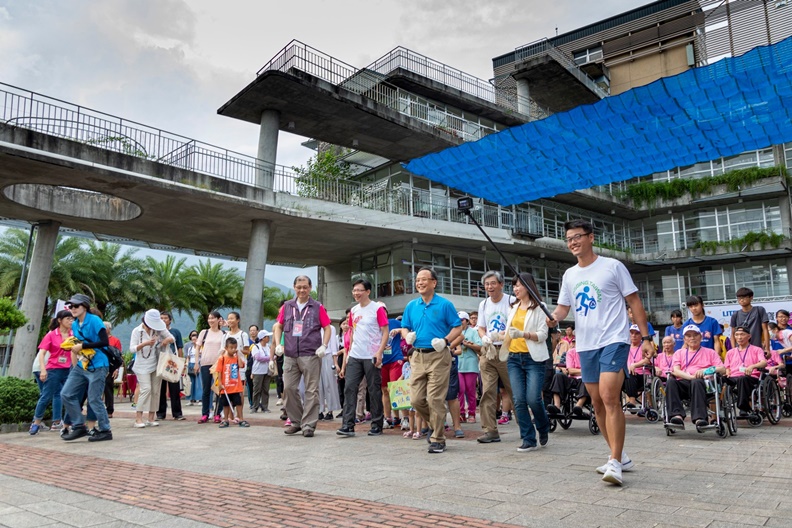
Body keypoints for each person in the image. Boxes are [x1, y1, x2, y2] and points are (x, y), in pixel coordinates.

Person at [548, 219, 653, 486]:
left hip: (614, 339)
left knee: (609, 397)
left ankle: (615, 462)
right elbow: (563, 309)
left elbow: (634, 301)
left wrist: (647, 336)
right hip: (585, 344)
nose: (573, 242)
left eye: (577, 237)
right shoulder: (570, 274)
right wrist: (552, 318)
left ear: (591, 238)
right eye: (569, 239)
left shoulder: (612, 266)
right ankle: (620, 456)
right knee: (596, 402)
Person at [400, 267, 461, 454]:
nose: (420, 283)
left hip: (438, 356)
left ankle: (438, 439)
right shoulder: (411, 305)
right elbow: (404, 327)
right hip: (417, 356)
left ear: (434, 282)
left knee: (435, 398)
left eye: (424, 279)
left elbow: (457, 328)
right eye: (417, 280)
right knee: (416, 399)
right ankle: (436, 425)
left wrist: (445, 341)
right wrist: (407, 335)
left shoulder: (444, 305)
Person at [272, 275, 332, 438]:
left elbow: (327, 328)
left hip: (311, 354)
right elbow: (278, 325)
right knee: (289, 388)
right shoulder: (287, 306)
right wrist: (278, 343)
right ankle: (296, 421)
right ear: (294, 287)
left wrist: (324, 346)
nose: (302, 290)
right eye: (299, 287)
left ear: (310, 288)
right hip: (290, 354)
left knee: (312, 390)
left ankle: (308, 425)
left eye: (305, 287)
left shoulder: (317, 307)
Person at [502, 272, 550, 452]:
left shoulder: (540, 307)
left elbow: (543, 335)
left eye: (519, 285)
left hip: (534, 359)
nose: (515, 289)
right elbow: (509, 332)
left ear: (529, 286)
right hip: (514, 358)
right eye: (514, 285)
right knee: (519, 399)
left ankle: (543, 426)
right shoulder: (513, 307)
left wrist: (523, 334)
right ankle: (528, 438)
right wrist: (495, 337)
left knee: (533, 399)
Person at [337, 279, 388, 437]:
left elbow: (385, 331)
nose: (356, 293)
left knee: (373, 390)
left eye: (359, 290)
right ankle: (348, 425)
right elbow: (352, 331)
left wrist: (379, 352)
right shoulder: (353, 310)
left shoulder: (377, 308)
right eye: (354, 291)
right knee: (349, 388)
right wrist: (348, 352)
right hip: (355, 355)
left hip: (371, 355)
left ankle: (376, 424)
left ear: (368, 291)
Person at [60, 294, 113, 442]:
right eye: (71, 306)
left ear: (85, 306)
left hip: (98, 365)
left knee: (94, 399)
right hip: (83, 364)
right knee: (66, 393)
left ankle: (105, 430)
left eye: (76, 306)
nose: (73, 309)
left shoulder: (95, 320)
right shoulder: (76, 324)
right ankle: (79, 426)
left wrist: (82, 345)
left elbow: (104, 342)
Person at [476, 270, 515, 444]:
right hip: (489, 351)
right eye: (487, 284)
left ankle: (527, 428)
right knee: (488, 392)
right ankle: (490, 430)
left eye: (493, 283)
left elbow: (517, 323)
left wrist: (503, 334)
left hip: (508, 350)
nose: (489, 287)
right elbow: (481, 327)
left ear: (501, 284)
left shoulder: (511, 301)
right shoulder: (483, 304)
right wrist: (484, 336)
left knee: (515, 391)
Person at [666, 325, 725, 428]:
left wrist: (705, 371)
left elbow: (722, 369)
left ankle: (699, 418)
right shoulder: (679, 353)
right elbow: (676, 370)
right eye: (688, 336)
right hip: (685, 382)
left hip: (704, 384)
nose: (692, 338)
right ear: (684, 339)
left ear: (701, 337)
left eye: (695, 335)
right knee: (671, 382)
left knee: (697, 382)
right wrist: (690, 377)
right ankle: (677, 415)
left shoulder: (710, 352)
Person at [29, 310, 73, 435]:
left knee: (69, 395)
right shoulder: (51, 335)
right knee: (46, 396)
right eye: (67, 319)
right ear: (60, 320)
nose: (70, 321)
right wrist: (43, 370)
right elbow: (42, 354)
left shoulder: (73, 335)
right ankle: (36, 423)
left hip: (68, 369)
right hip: (53, 369)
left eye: (72, 319)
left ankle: (68, 424)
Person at [130, 309, 174, 428]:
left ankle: (151, 417)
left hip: (156, 363)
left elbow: (172, 338)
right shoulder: (137, 331)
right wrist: (144, 344)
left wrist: (165, 341)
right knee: (146, 389)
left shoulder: (158, 329)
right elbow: (132, 349)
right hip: (141, 365)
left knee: (155, 391)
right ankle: (138, 417)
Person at [724, 326, 766, 415]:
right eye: (737, 335)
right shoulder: (730, 352)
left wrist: (752, 366)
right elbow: (727, 367)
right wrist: (727, 372)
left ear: (749, 336)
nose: (739, 337)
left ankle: (743, 407)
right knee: (718, 379)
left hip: (750, 377)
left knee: (742, 379)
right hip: (733, 377)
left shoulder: (757, 349)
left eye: (742, 334)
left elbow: (763, 363)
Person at [195, 311, 226, 423]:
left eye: (213, 318)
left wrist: (226, 324)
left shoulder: (224, 333)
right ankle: (205, 413)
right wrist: (197, 362)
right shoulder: (204, 332)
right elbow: (198, 348)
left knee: (219, 389)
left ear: (219, 319)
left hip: (218, 365)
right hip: (205, 363)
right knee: (206, 390)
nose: (210, 320)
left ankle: (218, 413)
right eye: (209, 318)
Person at [547, 338, 590, 416]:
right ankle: (557, 405)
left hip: (584, 379)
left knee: (587, 379)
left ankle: (578, 406)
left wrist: (580, 371)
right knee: (558, 376)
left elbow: (591, 371)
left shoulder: (590, 353)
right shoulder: (571, 352)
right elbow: (570, 371)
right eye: (575, 342)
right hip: (572, 378)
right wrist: (583, 371)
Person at [213, 338, 249, 427]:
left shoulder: (236, 357)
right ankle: (225, 419)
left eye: (235, 348)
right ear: (226, 348)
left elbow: (241, 365)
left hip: (236, 386)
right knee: (225, 404)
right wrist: (220, 383)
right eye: (231, 348)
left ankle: (241, 418)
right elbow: (219, 371)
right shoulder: (222, 358)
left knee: (238, 403)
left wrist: (238, 355)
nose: (233, 350)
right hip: (226, 386)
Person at [157, 312, 185, 421]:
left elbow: (179, 348)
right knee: (160, 389)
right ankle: (160, 413)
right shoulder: (157, 332)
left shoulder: (175, 332)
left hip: (172, 362)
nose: (163, 320)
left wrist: (181, 363)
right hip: (160, 361)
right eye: (161, 318)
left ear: (170, 320)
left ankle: (177, 413)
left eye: (165, 318)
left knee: (174, 388)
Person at [381, 304, 404, 428]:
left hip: (395, 359)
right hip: (382, 361)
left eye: (383, 311)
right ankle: (388, 418)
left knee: (396, 388)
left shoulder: (394, 322)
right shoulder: (373, 326)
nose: (381, 313)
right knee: (385, 390)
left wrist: (399, 330)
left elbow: (408, 330)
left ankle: (403, 417)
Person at [456, 312, 481, 424]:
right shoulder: (455, 331)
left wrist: (468, 344)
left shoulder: (473, 332)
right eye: (458, 320)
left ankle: (471, 413)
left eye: (462, 320)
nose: (460, 322)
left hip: (471, 364)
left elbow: (480, 346)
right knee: (460, 390)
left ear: (466, 320)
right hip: (458, 364)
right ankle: (461, 413)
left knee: (470, 391)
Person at [729, 287, 769, 353]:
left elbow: (765, 330)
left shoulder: (759, 310)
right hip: (741, 350)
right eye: (739, 298)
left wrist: (767, 349)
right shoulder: (735, 314)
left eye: (744, 297)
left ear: (751, 298)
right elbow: (733, 334)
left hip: (757, 348)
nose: (741, 300)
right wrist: (734, 350)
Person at [623, 325, 650, 409]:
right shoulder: (625, 348)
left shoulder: (644, 347)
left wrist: (634, 365)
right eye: (631, 333)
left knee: (629, 375)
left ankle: (632, 400)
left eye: (637, 333)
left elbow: (647, 360)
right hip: (628, 375)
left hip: (642, 376)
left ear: (641, 335)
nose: (633, 335)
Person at [318, 322, 341, 420]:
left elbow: (333, 347)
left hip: (327, 356)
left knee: (329, 384)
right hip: (316, 357)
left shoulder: (330, 328)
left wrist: (335, 363)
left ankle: (330, 411)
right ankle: (319, 410)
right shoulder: (314, 328)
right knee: (317, 385)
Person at [250, 329, 272, 412]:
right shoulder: (256, 347)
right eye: (267, 337)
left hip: (267, 370)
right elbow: (258, 358)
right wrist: (270, 358)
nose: (268, 338)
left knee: (265, 389)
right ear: (262, 338)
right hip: (258, 371)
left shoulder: (268, 347)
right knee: (257, 389)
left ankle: (264, 406)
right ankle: (255, 406)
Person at [184, 331, 200, 404]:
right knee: (191, 383)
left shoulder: (201, 347)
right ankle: (191, 399)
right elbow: (188, 357)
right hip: (191, 365)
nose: (194, 339)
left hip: (198, 364)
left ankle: (200, 399)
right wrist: (186, 364)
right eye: (192, 337)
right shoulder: (190, 348)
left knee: (199, 382)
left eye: (195, 337)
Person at [247, 324, 260, 409]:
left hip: (259, 366)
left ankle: (259, 402)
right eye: (251, 330)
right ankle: (252, 403)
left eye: (254, 330)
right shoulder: (247, 342)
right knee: (250, 385)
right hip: (249, 366)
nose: (252, 332)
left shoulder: (260, 341)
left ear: (257, 331)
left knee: (259, 386)